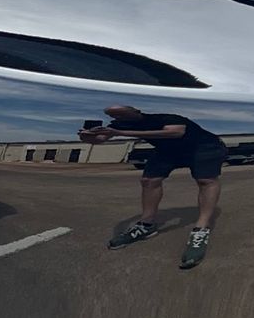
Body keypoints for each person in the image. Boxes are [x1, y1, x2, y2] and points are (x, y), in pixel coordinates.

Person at [82, 104, 227, 268]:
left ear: (136, 111)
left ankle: (201, 228)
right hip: (169, 151)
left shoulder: (165, 118)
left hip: (204, 147)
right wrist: (87, 137)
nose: (119, 119)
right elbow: (100, 140)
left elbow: (175, 132)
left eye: (122, 114)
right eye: (115, 117)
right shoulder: (119, 125)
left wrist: (119, 133)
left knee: (206, 180)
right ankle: (146, 224)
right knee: (149, 181)